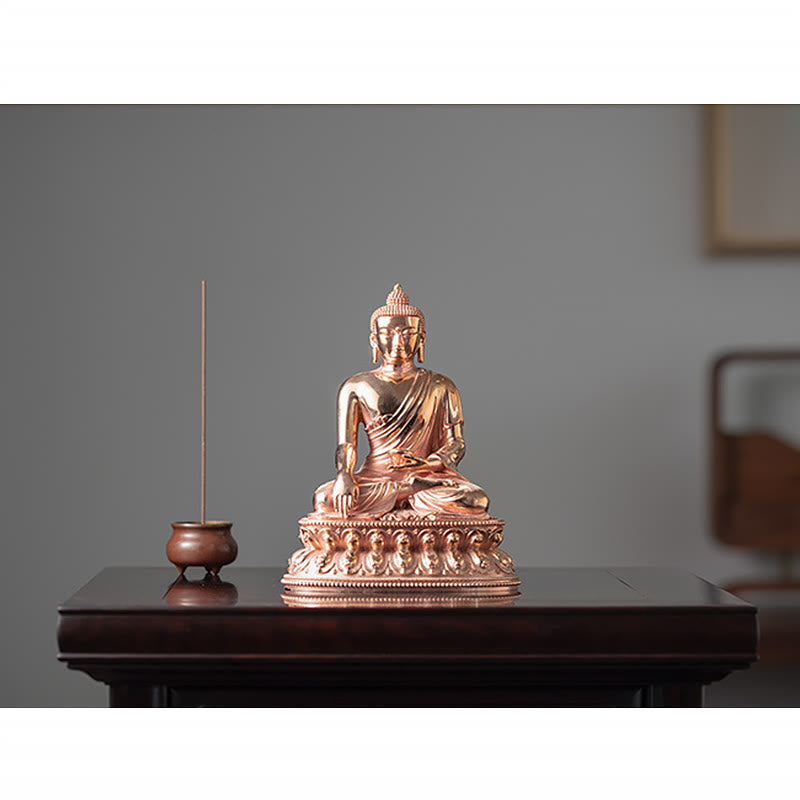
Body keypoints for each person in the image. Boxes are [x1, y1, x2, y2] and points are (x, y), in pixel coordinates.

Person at [312, 284, 490, 518]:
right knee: (324, 498)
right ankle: (409, 491)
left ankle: (413, 488)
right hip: (376, 477)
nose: (398, 342)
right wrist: (344, 476)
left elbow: (456, 444)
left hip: (427, 475)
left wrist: (428, 466)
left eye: (407, 334)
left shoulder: (441, 386)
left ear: (421, 339)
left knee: (475, 500)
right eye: (388, 334)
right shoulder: (356, 386)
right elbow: (346, 445)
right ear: (374, 340)